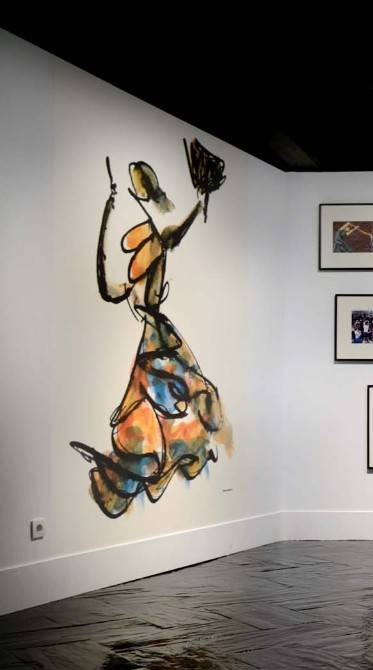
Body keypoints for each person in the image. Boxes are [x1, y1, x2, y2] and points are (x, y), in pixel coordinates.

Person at [69, 140, 231, 518]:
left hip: (158, 338)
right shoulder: (142, 270)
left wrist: (198, 203)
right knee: (172, 398)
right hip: (157, 339)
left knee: (176, 396)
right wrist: (107, 218)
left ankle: (180, 439)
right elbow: (108, 287)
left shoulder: (154, 247)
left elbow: (169, 236)